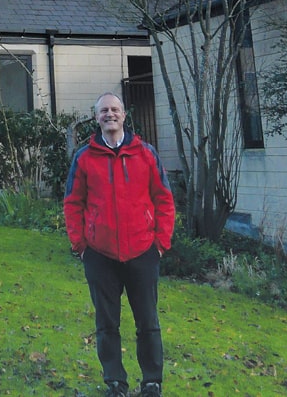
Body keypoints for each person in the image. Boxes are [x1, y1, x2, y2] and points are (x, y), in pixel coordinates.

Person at [64, 92, 175, 397]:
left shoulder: (146, 154)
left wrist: (160, 243)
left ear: (124, 115)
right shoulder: (84, 157)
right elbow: (73, 203)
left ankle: (152, 382)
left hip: (143, 252)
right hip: (100, 255)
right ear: (96, 117)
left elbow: (164, 199)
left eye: (114, 109)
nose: (109, 114)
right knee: (107, 324)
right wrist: (80, 245)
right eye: (103, 111)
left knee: (148, 322)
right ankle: (116, 383)